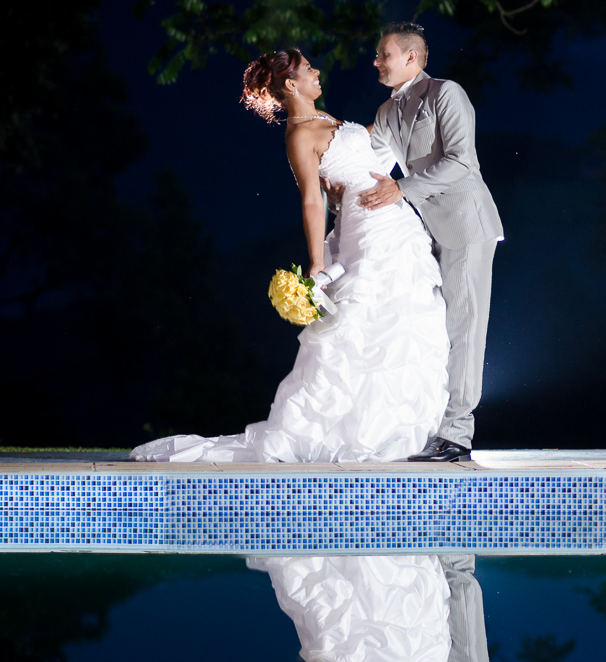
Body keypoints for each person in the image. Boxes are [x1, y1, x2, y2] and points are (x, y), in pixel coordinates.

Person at [129, 49, 455, 662]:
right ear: (289, 82)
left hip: (394, 229)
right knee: (360, 334)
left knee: (403, 327)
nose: (317, 73)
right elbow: (313, 200)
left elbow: (348, 184)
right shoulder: (302, 134)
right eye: (307, 68)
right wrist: (318, 262)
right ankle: (343, 435)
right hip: (365, 238)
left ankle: (389, 430)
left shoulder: (334, 118)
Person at [333, 22, 500, 662]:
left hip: (464, 223)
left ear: (413, 58)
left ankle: (458, 434)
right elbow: (368, 153)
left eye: (384, 53)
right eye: (376, 52)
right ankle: (437, 426)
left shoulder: (445, 94)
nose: (374, 59)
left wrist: (402, 187)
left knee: (465, 326)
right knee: (435, 331)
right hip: (426, 233)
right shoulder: (385, 109)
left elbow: (461, 162)